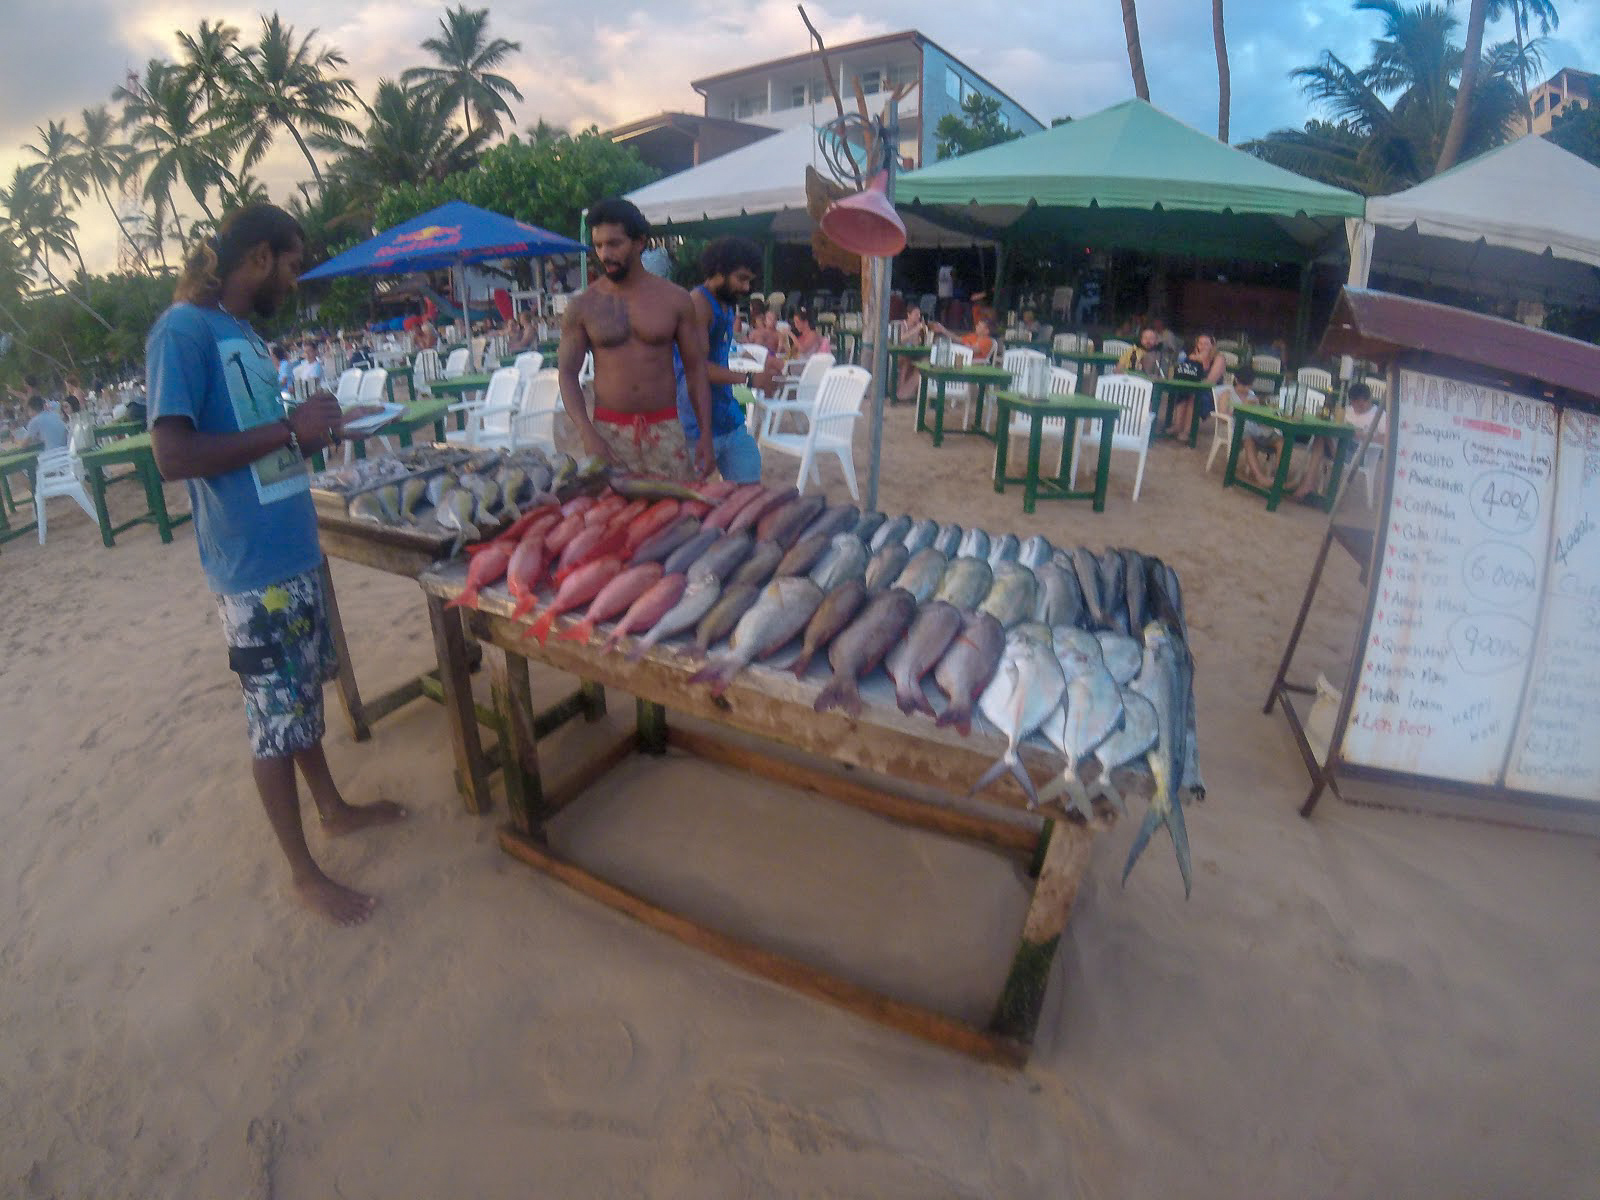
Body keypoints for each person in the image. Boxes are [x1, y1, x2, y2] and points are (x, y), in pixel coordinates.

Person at [147, 204, 404, 927]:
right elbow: (172, 456)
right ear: (257, 258)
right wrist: (288, 428)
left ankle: (333, 809)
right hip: (251, 566)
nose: (293, 283)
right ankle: (302, 875)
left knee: (299, 704)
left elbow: (260, 439)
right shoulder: (182, 330)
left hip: (292, 548)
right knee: (273, 721)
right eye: (290, 267)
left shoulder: (245, 336)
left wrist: (310, 432)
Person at [557, 197, 713, 479]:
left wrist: (705, 434)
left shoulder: (675, 300)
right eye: (599, 245)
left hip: (665, 430)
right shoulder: (584, 306)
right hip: (608, 435)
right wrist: (586, 432)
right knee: (614, 519)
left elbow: (696, 369)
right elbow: (567, 373)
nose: (605, 254)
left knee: (675, 515)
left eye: (614, 244)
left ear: (640, 241)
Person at [673, 236, 779, 484]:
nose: (745, 288)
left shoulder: (727, 305)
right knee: (692, 502)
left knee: (750, 493)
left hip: (728, 417)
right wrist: (751, 379)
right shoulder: (698, 304)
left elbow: (720, 358)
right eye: (741, 278)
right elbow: (696, 368)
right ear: (719, 270)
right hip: (694, 423)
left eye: (749, 281)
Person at [1164, 332, 1227, 439]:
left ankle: (1188, 431)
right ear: (1196, 345)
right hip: (1193, 389)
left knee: (1193, 396)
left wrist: (1202, 362)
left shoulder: (1219, 358)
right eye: (1200, 343)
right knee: (1183, 392)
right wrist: (1192, 360)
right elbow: (1185, 375)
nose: (1203, 346)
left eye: (1206, 344)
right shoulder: (1192, 357)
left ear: (1212, 345)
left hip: (1212, 393)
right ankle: (1178, 426)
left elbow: (1210, 381)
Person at [895, 304, 929, 402]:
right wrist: (915, 330)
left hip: (913, 354)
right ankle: (901, 391)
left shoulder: (918, 328)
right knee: (906, 360)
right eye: (916, 314)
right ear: (908, 315)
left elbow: (918, 343)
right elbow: (899, 339)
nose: (918, 316)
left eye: (919, 314)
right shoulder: (901, 325)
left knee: (923, 362)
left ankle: (909, 392)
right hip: (899, 354)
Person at [930, 315, 997, 362]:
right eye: (977, 325)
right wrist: (943, 330)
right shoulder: (973, 336)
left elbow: (974, 350)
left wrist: (962, 346)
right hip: (962, 362)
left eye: (979, 326)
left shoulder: (987, 341)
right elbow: (957, 339)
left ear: (986, 331)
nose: (976, 326)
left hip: (974, 365)